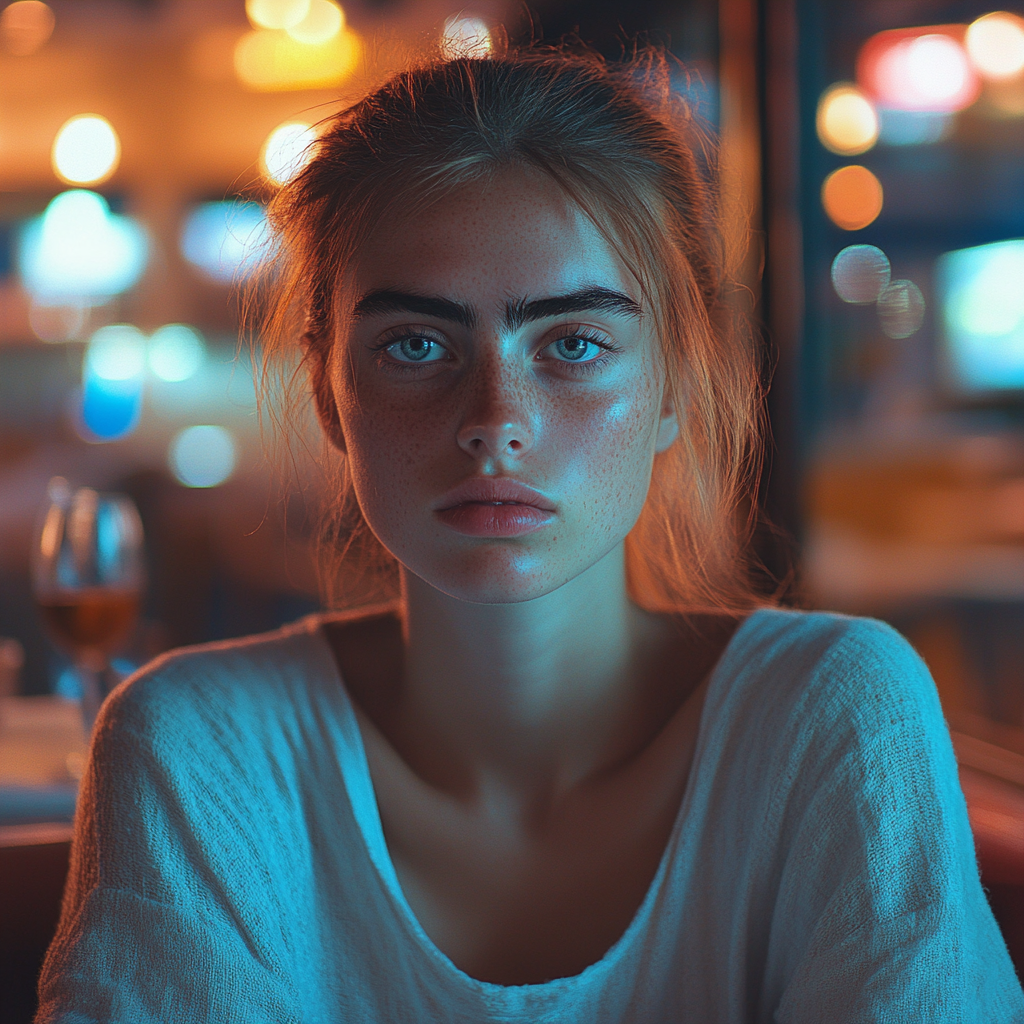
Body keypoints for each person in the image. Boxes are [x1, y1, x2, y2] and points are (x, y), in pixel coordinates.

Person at [37, 47, 1022, 1024]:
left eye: (574, 344)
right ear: (326, 391)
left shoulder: (833, 713)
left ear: (675, 383)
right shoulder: (199, 747)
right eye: (417, 345)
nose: (494, 417)